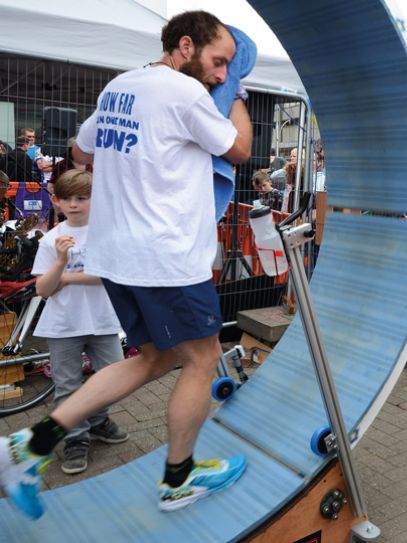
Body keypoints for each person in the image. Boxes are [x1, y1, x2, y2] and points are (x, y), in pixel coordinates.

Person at [0, 10, 252, 519]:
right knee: (202, 360)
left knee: (153, 358)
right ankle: (178, 480)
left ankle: (27, 445)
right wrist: (240, 95)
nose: (222, 74)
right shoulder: (186, 94)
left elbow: (78, 150)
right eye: (219, 62)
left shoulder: (120, 85)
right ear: (185, 45)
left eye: (230, 68)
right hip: (166, 259)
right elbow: (241, 147)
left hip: (120, 258)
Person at [31, 170, 129, 475]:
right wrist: (60, 262)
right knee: (66, 384)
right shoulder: (51, 240)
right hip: (63, 324)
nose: (74, 205)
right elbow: (43, 289)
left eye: (82, 198)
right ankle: (75, 438)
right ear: (56, 201)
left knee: (115, 378)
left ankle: (98, 420)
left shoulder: (105, 233)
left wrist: (65, 277)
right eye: (67, 199)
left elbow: (108, 275)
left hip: (102, 320)